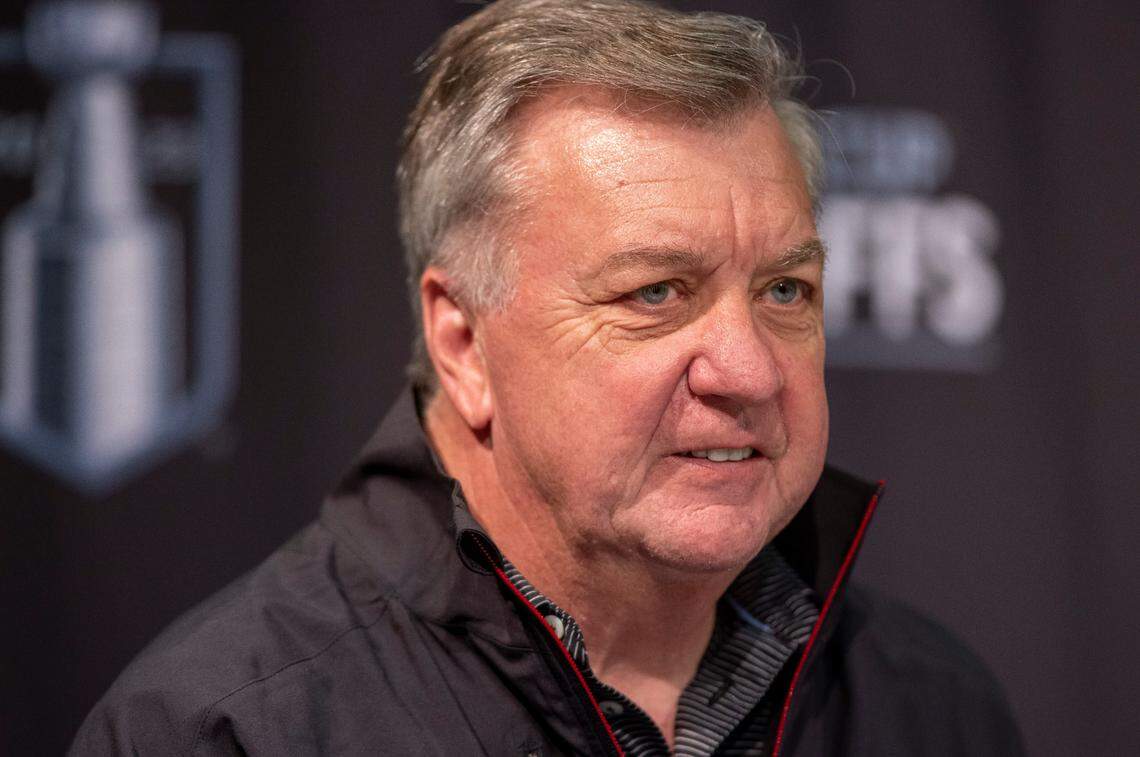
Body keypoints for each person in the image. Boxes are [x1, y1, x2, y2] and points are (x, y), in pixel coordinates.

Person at [71, 1, 1024, 754]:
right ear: (461, 340)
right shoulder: (224, 732)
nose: (749, 370)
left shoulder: (931, 705)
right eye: (655, 291)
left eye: (785, 288)